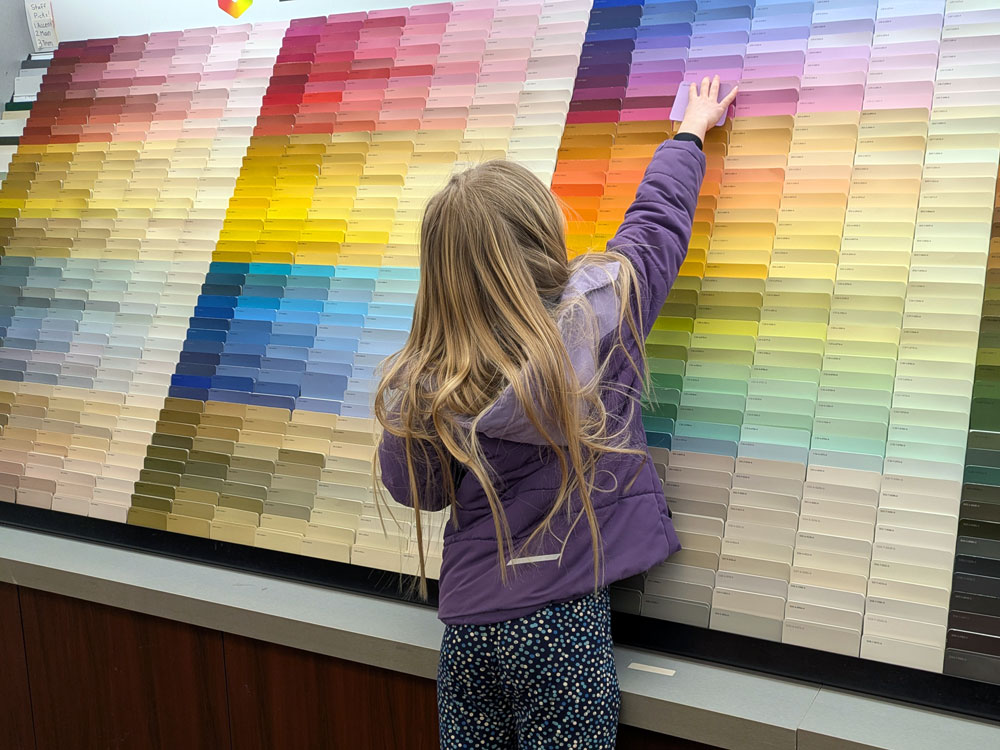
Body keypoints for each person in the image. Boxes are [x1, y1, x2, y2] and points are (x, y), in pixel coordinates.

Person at [374, 76, 737, 749]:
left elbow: (414, 490)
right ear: (543, 236)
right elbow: (655, 228)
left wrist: (423, 373)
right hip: (561, 625)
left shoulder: (433, 378)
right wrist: (689, 134)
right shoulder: (600, 316)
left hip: (469, 630)